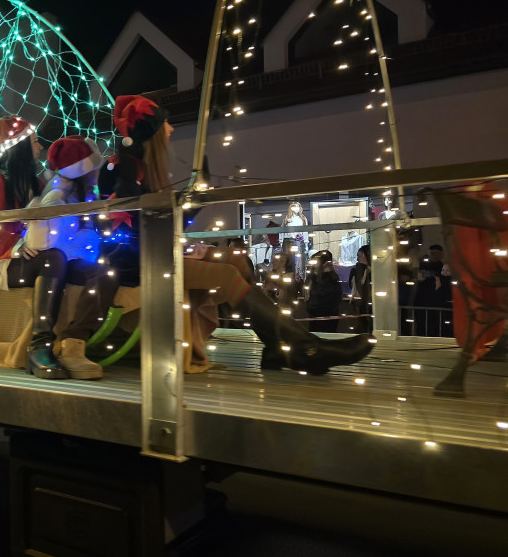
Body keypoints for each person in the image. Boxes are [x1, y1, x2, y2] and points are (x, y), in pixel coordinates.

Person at [101, 94, 373, 375]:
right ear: (151, 134)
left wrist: (193, 199)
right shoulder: (121, 167)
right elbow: (139, 219)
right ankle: (305, 348)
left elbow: (162, 221)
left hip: (154, 256)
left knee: (237, 261)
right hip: (136, 266)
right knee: (226, 274)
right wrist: (189, 201)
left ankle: (279, 348)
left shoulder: (141, 170)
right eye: (164, 126)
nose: (170, 131)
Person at [0, 117, 105, 379]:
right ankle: (39, 346)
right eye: (34, 141)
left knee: (94, 270)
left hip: (36, 256)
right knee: (53, 258)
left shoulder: (38, 183)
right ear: (19, 146)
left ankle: (74, 345)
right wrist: (16, 245)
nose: (40, 146)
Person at [22, 135, 117, 379]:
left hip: (67, 259)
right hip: (53, 261)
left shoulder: (81, 193)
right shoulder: (58, 196)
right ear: (83, 171)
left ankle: (74, 343)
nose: (98, 172)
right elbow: (46, 242)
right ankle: (42, 346)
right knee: (73, 265)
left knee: (106, 272)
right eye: (94, 167)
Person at [304, 250, 343, 332]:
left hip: (327, 316)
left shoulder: (331, 279)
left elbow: (328, 297)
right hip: (315, 315)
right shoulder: (313, 277)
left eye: (316, 261)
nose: (314, 264)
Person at [348, 244, 373, 333]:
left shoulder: (370, 272)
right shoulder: (357, 270)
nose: (358, 259)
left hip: (368, 306)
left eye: (359, 256)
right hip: (360, 306)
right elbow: (354, 286)